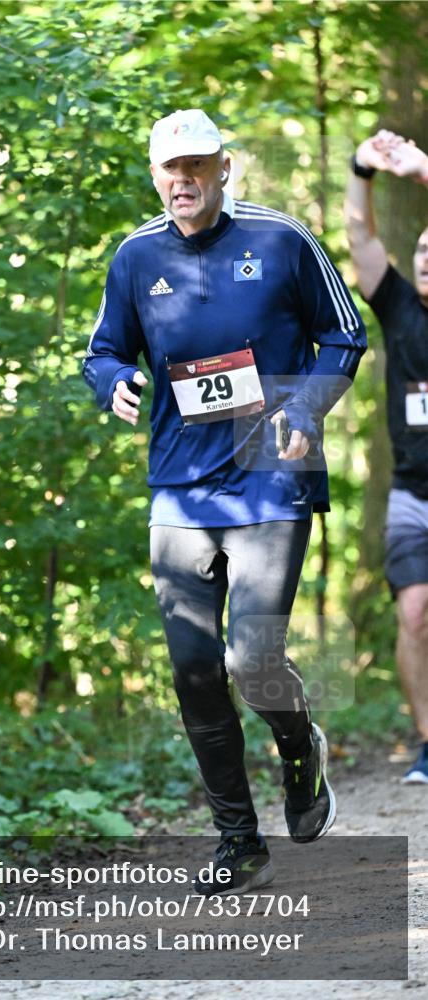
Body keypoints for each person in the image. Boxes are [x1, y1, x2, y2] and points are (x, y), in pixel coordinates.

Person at [83, 108, 367, 894]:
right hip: (180, 484)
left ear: (225, 167)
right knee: (192, 669)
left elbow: (344, 335)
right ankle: (237, 841)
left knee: (252, 657)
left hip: (273, 477)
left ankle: (296, 744)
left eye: (198, 166)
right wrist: (114, 382)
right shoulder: (135, 256)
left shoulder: (280, 240)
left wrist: (304, 408)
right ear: (152, 174)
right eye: (169, 168)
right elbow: (103, 349)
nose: (183, 180)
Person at [344, 129, 428, 784]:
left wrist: (422, 170)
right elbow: (361, 241)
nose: (424, 259)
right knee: (413, 613)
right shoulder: (399, 307)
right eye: (420, 250)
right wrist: (361, 170)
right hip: (409, 490)